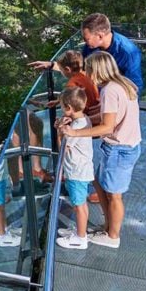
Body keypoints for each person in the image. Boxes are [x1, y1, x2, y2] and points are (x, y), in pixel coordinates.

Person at [59, 51, 141, 249]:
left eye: (88, 69)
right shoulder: (123, 84)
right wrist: (80, 120)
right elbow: (106, 115)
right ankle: (107, 228)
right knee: (102, 186)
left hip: (119, 148)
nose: (87, 73)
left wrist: (75, 133)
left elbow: (107, 126)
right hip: (125, 145)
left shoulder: (110, 91)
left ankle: (113, 236)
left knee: (114, 194)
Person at [29, 13, 144, 95]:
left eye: (87, 38)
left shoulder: (127, 52)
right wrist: (52, 65)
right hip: (96, 97)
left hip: (115, 102)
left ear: (100, 35)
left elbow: (134, 86)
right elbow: (78, 68)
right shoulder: (91, 47)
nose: (85, 42)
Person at [54, 87, 92, 250]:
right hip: (80, 170)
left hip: (77, 172)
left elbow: (63, 147)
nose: (61, 109)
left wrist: (59, 131)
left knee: (79, 205)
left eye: (62, 106)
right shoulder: (84, 120)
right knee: (80, 203)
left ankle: (80, 238)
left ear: (68, 108)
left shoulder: (75, 129)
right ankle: (79, 230)